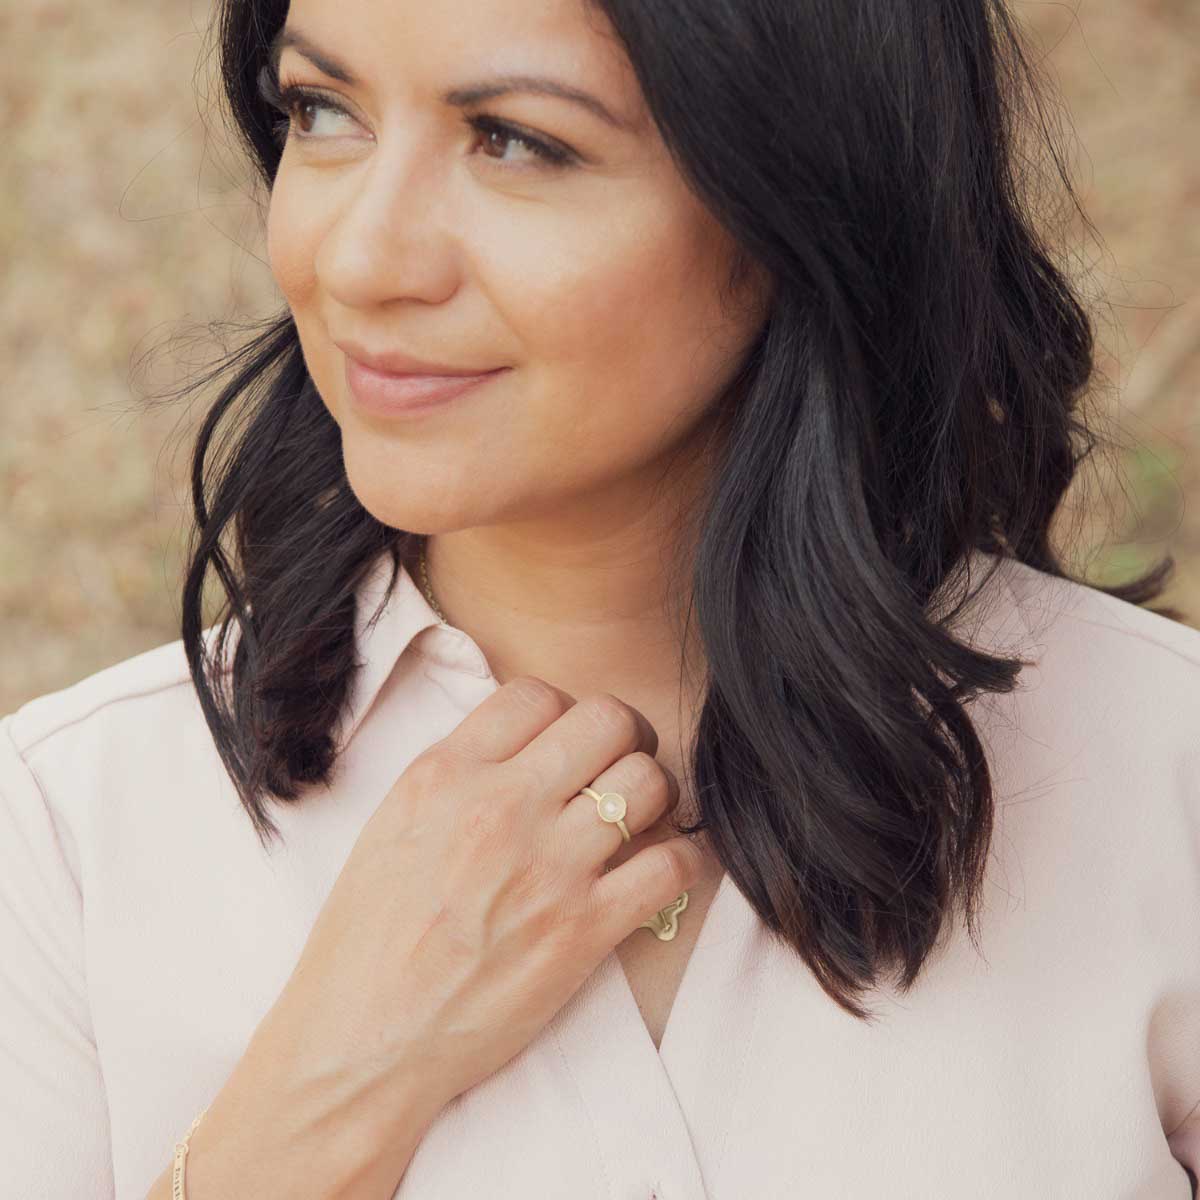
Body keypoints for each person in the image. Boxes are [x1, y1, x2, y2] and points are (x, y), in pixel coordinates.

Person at [2, 0, 1197, 1197]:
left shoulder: (1158, 779)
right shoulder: (65, 836)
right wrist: (332, 1087)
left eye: (517, 140)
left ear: (801, 192)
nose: (359, 258)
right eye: (322, 112)